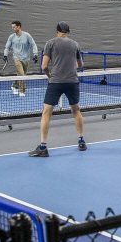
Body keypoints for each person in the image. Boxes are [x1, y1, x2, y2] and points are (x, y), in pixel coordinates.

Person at [28, 22, 86, 157]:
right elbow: (80, 64)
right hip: (72, 82)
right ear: (68, 32)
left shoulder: (50, 43)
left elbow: (44, 66)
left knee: (46, 113)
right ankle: (81, 141)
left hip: (55, 82)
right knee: (76, 110)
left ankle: (43, 147)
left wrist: (50, 76)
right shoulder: (75, 44)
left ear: (57, 31)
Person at [3, 20, 38, 97]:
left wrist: (35, 54)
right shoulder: (11, 37)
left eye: (14, 27)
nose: (13, 28)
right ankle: (21, 91)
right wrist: (5, 55)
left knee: (21, 74)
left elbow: (33, 44)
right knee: (22, 74)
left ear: (19, 27)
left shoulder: (27, 35)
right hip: (16, 58)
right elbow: (7, 47)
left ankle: (14, 85)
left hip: (26, 59)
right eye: (12, 27)